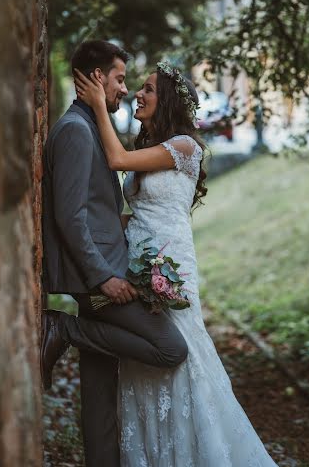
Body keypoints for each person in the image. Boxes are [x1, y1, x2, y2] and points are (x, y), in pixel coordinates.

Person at [74, 60, 278, 467]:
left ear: (166, 101)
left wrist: (99, 104)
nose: (138, 93)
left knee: (179, 354)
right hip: (139, 259)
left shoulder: (184, 146)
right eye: (139, 87)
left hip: (170, 263)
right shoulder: (150, 148)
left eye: (148, 89)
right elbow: (139, 211)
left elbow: (115, 161)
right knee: (145, 358)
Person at [40, 40, 188, 467]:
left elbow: (96, 207)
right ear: (95, 77)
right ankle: (62, 330)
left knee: (99, 394)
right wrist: (101, 276)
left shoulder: (90, 128)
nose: (125, 89)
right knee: (169, 349)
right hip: (99, 282)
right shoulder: (75, 130)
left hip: (104, 270)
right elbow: (70, 217)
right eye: (120, 79)